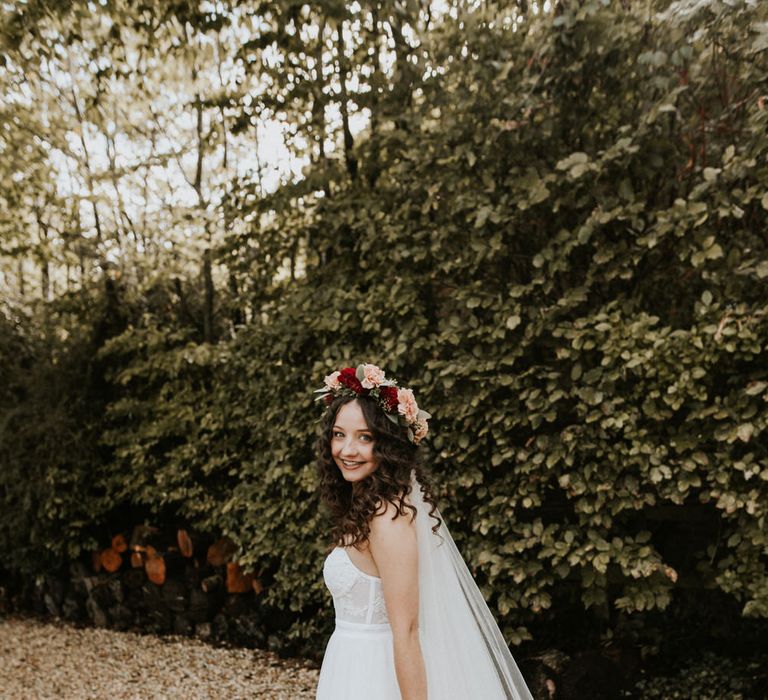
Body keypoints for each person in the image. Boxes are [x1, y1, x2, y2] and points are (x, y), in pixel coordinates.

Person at [314, 363, 534, 700]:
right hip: (349, 664)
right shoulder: (365, 505)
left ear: (387, 445)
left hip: (377, 675)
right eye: (339, 434)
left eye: (365, 437)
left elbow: (408, 631)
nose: (347, 450)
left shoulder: (387, 517)